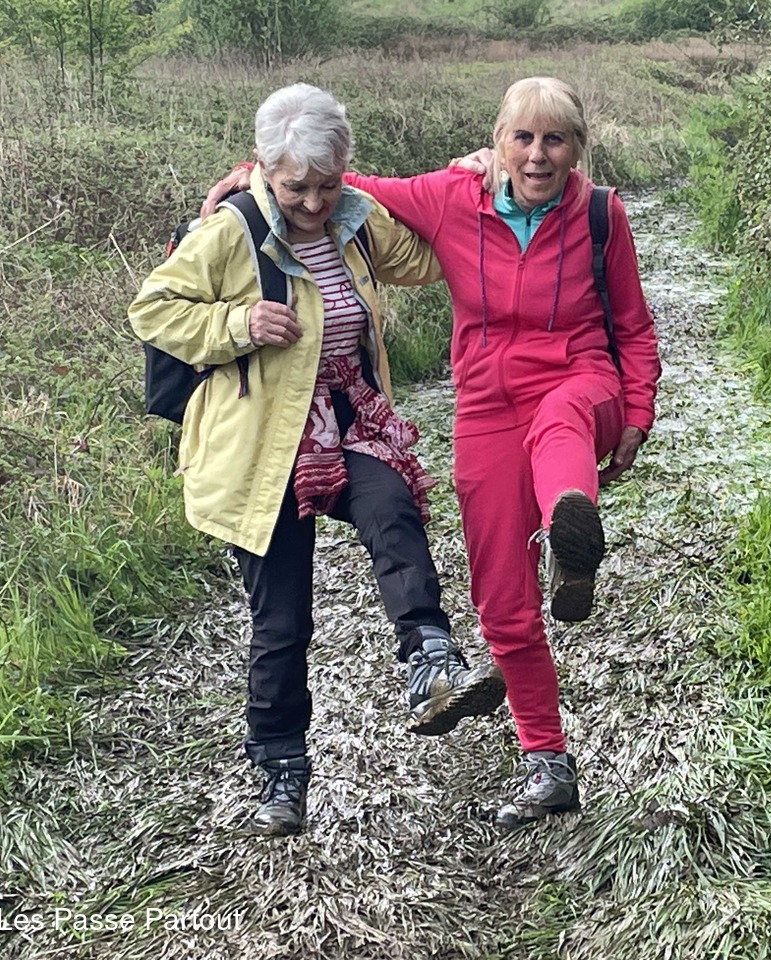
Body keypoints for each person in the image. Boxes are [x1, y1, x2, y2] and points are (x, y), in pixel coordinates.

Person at [204, 77, 661, 827]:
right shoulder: (453, 198)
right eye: (523, 137)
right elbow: (345, 180)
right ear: (497, 142)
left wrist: (637, 414)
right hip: (485, 408)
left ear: (579, 148)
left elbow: (635, 328)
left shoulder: (600, 215)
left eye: (555, 139)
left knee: (561, 423)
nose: (538, 155)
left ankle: (569, 530)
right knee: (501, 601)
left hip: (580, 383)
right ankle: (548, 764)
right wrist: (252, 176)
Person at [129, 83, 506, 838]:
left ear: (345, 172)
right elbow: (154, 308)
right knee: (283, 620)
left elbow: (428, 258)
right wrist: (239, 322)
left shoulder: (356, 221)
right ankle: (281, 771)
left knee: (393, 513)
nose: (311, 202)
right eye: (295, 186)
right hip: (260, 444)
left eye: (327, 185)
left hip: (351, 418)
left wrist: (470, 182)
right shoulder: (232, 230)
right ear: (264, 168)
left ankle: (430, 662)